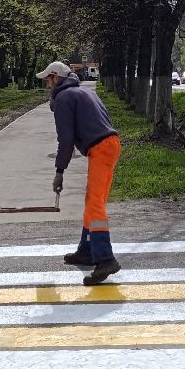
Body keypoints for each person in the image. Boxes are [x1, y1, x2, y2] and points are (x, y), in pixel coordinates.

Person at [37, 60, 122, 286]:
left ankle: (105, 259)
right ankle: (86, 251)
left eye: (48, 80)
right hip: (110, 144)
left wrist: (59, 171)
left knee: (95, 205)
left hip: (100, 148)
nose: (47, 85)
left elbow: (65, 140)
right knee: (93, 201)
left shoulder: (64, 98)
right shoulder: (83, 91)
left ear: (56, 77)